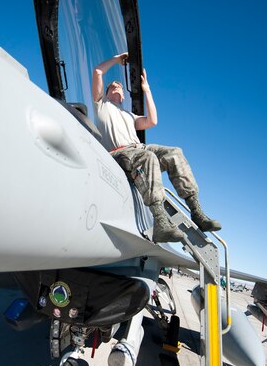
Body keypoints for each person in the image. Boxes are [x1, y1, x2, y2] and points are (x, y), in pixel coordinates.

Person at [92, 52, 221, 243]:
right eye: (113, 87)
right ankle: (160, 222)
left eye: (120, 87)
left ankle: (196, 211)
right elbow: (97, 72)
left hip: (139, 149)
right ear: (108, 92)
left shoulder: (130, 115)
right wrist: (117, 60)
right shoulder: (101, 105)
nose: (117, 87)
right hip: (120, 153)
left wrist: (147, 89)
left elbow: (153, 120)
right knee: (148, 158)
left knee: (174, 153)